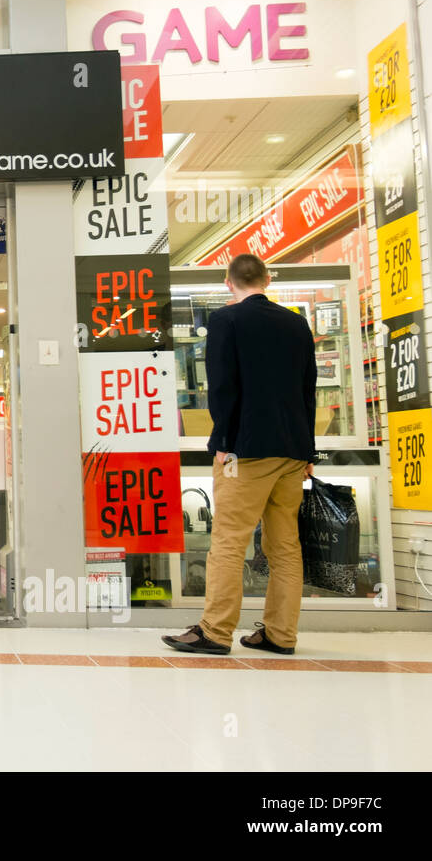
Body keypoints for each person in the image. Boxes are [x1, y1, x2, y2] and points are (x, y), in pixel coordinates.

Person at [163, 254, 315, 657]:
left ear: (228, 283)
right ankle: (281, 634)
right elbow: (307, 390)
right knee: (285, 547)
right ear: (267, 279)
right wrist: (307, 449)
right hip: (291, 451)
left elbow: (223, 388)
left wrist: (223, 443)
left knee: (228, 542)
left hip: (244, 450)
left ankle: (214, 631)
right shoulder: (297, 323)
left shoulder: (226, 321)